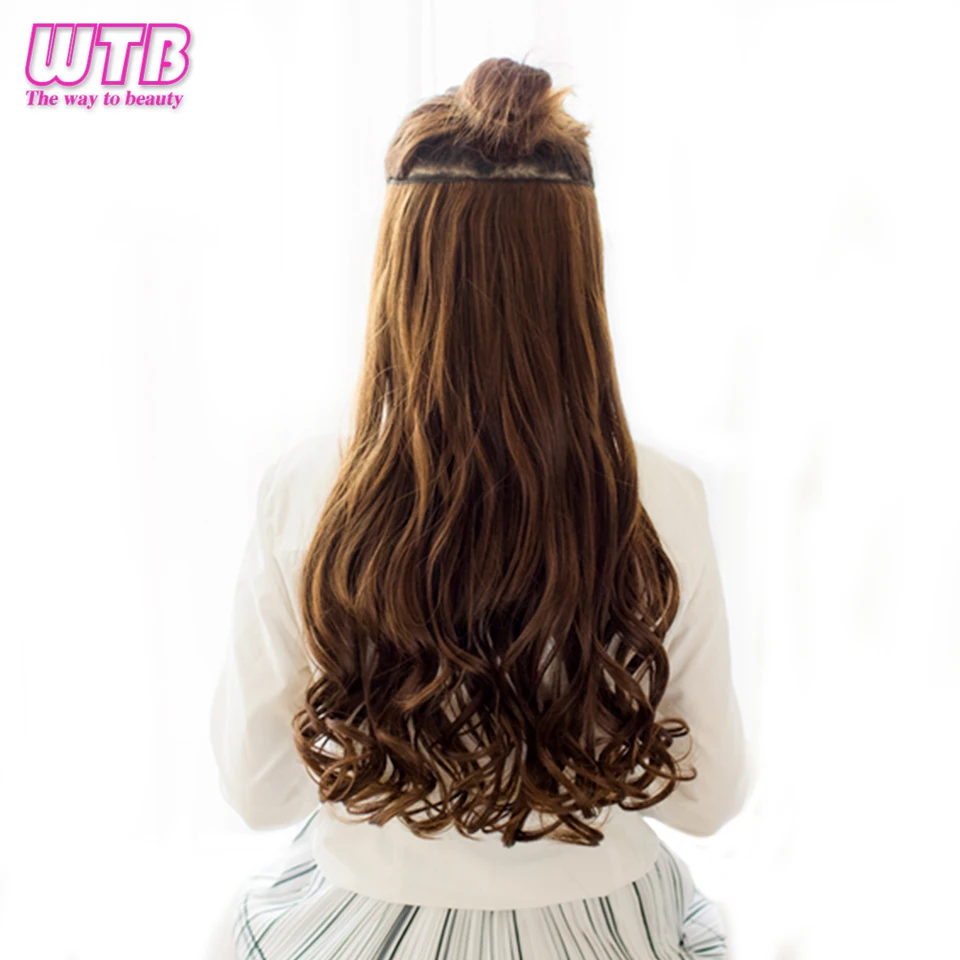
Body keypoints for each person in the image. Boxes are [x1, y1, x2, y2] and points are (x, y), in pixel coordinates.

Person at [208, 56, 750, 959]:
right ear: (577, 277)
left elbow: (257, 788)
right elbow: (708, 797)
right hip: (606, 930)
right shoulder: (662, 499)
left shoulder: (306, 492)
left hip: (358, 925)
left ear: (402, 272)